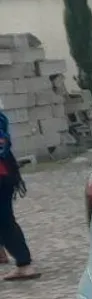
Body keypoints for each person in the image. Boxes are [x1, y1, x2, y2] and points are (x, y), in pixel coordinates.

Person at [0, 108, 38, 282]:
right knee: (6, 220)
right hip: (6, 174)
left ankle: (24, 265)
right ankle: (24, 264)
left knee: (5, 222)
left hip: (3, 176)